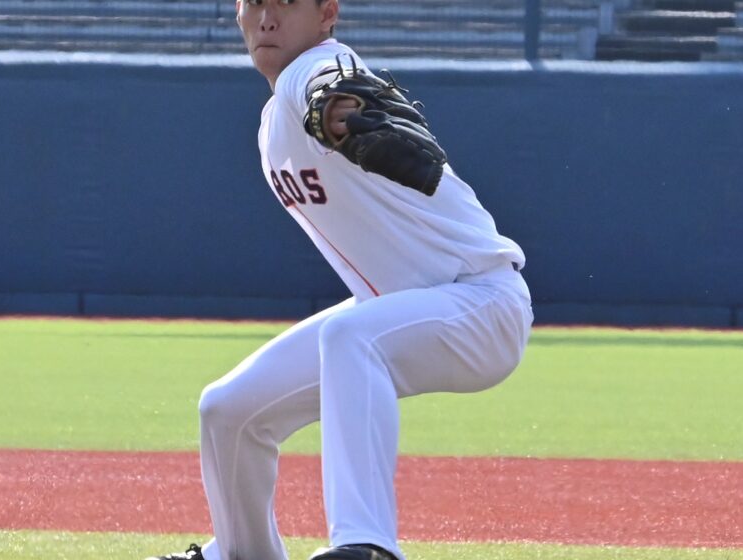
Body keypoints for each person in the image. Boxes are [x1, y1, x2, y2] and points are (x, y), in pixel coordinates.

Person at [147, 0, 532, 559]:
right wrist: (327, 110)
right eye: (255, 2)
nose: (267, 17)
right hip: (405, 308)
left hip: (480, 302)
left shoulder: (313, 69)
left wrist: (334, 107)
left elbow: (328, 84)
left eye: (286, 2)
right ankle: (241, 552)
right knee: (229, 410)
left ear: (327, 13)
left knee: (350, 337)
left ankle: (367, 543)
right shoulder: (273, 118)